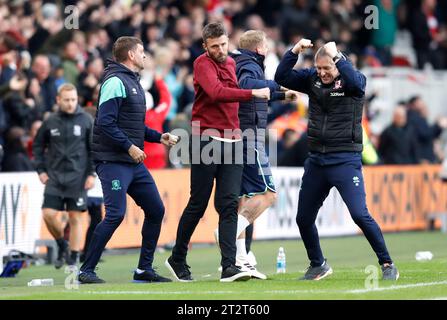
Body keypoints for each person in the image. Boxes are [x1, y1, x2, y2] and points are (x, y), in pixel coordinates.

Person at [275, 39, 399, 280]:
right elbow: (282, 76)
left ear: (337, 65)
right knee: (303, 218)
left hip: (345, 160)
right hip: (317, 162)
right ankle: (318, 264)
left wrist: (338, 56)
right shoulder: (312, 78)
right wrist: (294, 52)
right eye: (319, 68)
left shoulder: (353, 81)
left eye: (327, 68)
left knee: (359, 215)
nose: (322, 73)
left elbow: (355, 81)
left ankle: (387, 264)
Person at [165, 22, 270, 283]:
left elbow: (235, 92)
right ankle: (177, 257)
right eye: (215, 46)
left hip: (233, 140)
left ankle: (228, 266)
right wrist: (253, 93)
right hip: (206, 140)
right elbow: (217, 93)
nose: (221, 50)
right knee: (198, 204)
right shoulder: (202, 64)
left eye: (223, 44)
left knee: (229, 205)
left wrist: (277, 94)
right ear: (205, 47)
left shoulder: (232, 64)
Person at [78, 36, 178, 284]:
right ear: (131, 55)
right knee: (115, 214)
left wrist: (158, 136)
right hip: (113, 161)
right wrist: (130, 147)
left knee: (156, 209)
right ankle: (85, 270)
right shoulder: (114, 81)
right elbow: (105, 123)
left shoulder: (132, 82)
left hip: (131, 161)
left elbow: (132, 126)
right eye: (142, 52)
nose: (145, 56)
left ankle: (144, 270)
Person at [223, 30, 298, 279]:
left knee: (243, 199)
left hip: (242, 134)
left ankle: (240, 258)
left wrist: (280, 95)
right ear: (258, 48)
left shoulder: (244, 62)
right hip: (250, 136)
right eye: (266, 44)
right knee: (269, 195)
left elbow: (255, 95)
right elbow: (246, 86)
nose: (268, 47)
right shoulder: (248, 65)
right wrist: (276, 85)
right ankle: (229, 234)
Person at [33, 83, 95, 269]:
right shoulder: (50, 121)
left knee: (75, 218)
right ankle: (62, 244)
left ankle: (74, 258)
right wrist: (41, 170)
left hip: (78, 178)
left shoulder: (86, 120)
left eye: (73, 100)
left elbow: (94, 149)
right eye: (67, 100)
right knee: (48, 214)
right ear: (58, 100)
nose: (70, 104)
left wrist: (91, 174)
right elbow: (37, 147)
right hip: (54, 178)